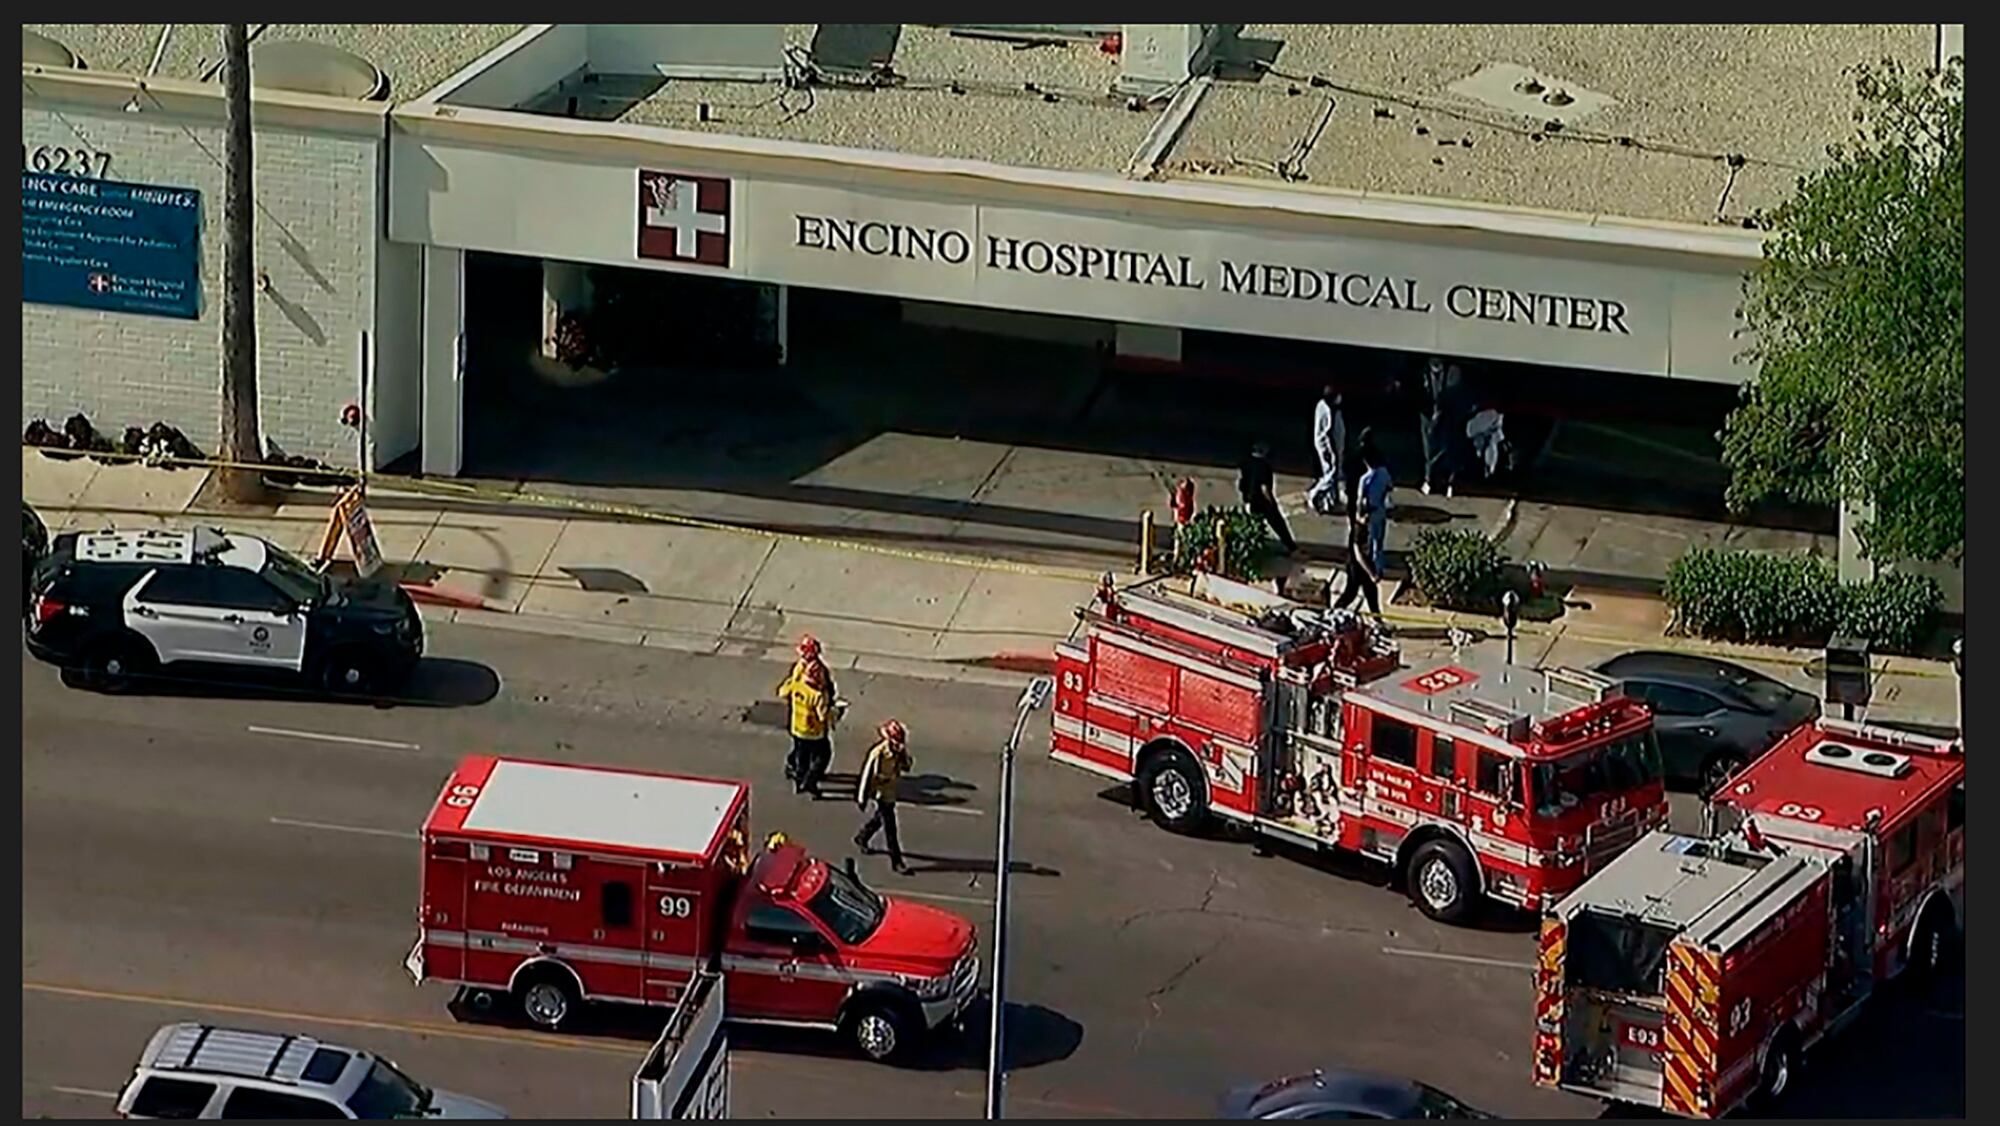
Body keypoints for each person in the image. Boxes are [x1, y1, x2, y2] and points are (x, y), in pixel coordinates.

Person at [855, 719, 913, 874]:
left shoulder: (899, 752)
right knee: (890, 827)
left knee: (880, 818)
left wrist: (903, 756)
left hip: (891, 790)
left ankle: (863, 837)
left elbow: (907, 767)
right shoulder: (878, 753)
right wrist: (862, 798)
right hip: (881, 791)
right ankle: (897, 861)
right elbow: (867, 776)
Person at [776, 657, 834, 797]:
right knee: (823, 756)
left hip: (797, 728)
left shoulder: (797, 685)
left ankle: (798, 781)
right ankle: (810, 781)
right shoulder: (818, 695)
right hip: (815, 732)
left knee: (802, 757)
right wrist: (835, 711)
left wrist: (792, 681)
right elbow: (823, 715)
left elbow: (782, 692)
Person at [1238, 441, 1298, 554]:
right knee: (1278, 523)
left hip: (1249, 500)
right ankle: (1291, 546)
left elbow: (1242, 484)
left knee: (1253, 525)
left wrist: (1246, 498)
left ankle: (1249, 547)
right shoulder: (1264, 467)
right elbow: (1264, 488)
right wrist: (1271, 502)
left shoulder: (1246, 463)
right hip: (1262, 502)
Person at [1354, 433, 1393, 578]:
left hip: (1370, 512)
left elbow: (1360, 500)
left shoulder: (1364, 480)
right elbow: (1389, 487)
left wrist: (1359, 516)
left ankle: (1375, 569)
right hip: (1380, 510)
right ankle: (1380, 565)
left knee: (1371, 539)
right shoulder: (1384, 472)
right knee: (1379, 539)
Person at [1305, 386, 1348, 516]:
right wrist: (1332, 453)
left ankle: (1330, 501)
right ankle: (1315, 494)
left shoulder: (1325, 406)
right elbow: (1328, 433)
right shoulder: (1328, 411)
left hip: (1331, 447)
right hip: (1329, 448)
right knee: (1331, 475)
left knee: (1332, 474)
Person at [1332, 507, 1382, 617]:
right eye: (1365, 516)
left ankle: (1377, 617)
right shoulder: (1358, 530)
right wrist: (1371, 573)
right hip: (1356, 567)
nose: (1367, 518)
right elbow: (1358, 555)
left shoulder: (1364, 527)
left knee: (1371, 592)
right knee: (1351, 593)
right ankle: (1334, 611)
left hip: (1363, 565)